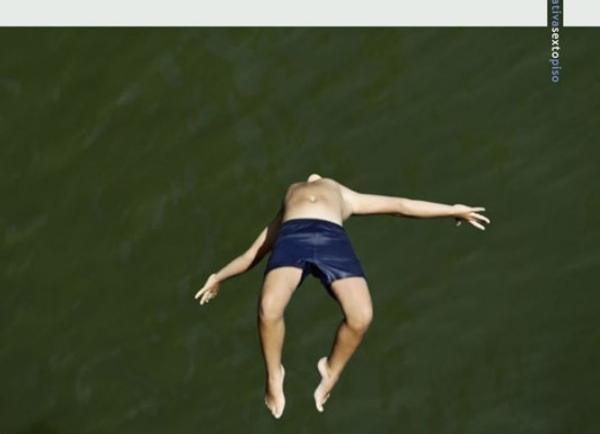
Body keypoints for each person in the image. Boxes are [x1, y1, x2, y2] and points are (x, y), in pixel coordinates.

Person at [196, 175, 489, 417]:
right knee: (268, 308)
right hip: (292, 237)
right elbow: (252, 254)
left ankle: (331, 371)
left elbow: (401, 205)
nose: (313, 177)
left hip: (331, 240)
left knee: (361, 316)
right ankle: (274, 375)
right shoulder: (287, 207)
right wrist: (218, 276)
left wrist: (452, 209)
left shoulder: (347, 197)